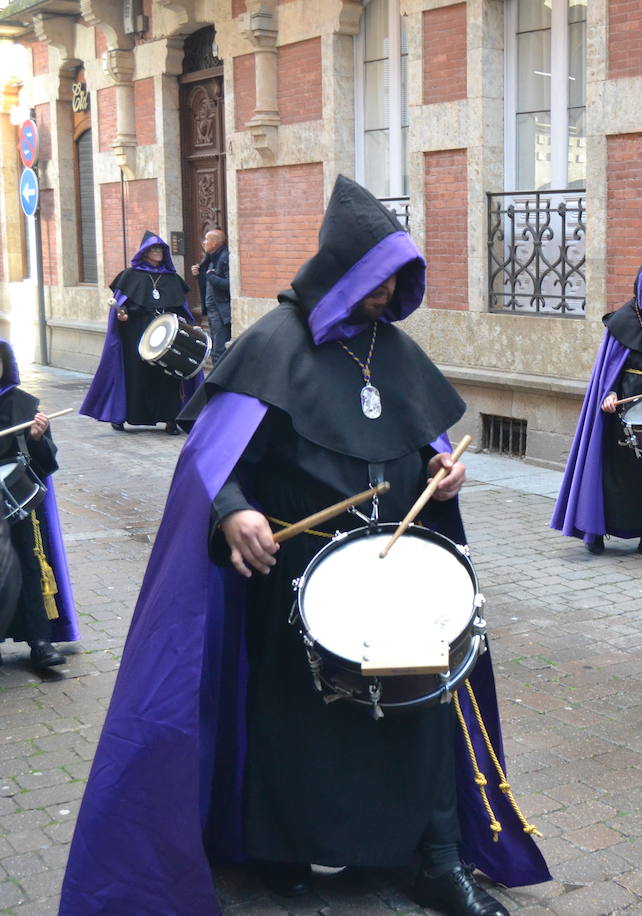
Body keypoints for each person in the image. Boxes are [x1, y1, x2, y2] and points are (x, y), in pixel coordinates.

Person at [61, 177, 548, 916]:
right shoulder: (271, 344)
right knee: (295, 722)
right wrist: (231, 513)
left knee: (420, 710)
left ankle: (436, 860)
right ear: (343, 271)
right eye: (377, 281)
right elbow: (210, 459)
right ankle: (282, 848)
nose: (388, 296)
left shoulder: (396, 350)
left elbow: (425, 443)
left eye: (398, 283)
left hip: (397, 569)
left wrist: (443, 473)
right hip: (293, 570)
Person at [551, 251, 642, 559]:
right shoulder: (621, 322)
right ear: (640, 287)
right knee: (616, 474)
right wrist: (608, 393)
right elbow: (609, 368)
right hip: (623, 412)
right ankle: (596, 530)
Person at [0, 337, 78, 670]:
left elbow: (47, 463)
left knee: (29, 566)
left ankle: (40, 641)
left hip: (16, 500)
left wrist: (37, 439)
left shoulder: (23, 404)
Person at [79, 230, 201, 434]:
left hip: (166, 335)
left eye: (160, 249)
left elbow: (182, 308)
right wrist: (122, 314)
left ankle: (171, 419)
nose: (158, 252)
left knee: (168, 376)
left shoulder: (172, 279)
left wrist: (190, 325)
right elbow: (121, 305)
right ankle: (123, 415)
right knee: (135, 375)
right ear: (144, 252)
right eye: (153, 249)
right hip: (136, 333)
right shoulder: (130, 276)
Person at [191, 227, 231, 363]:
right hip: (212, 311)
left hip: (221, 311)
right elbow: (207, 281)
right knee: (215, 346)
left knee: (219, 349)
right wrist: (198, 274)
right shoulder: (210, 258)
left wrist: (211, 276)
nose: (203, 243)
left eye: (206, 240)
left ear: (214, 243)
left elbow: (230, 285)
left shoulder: (225, 257)